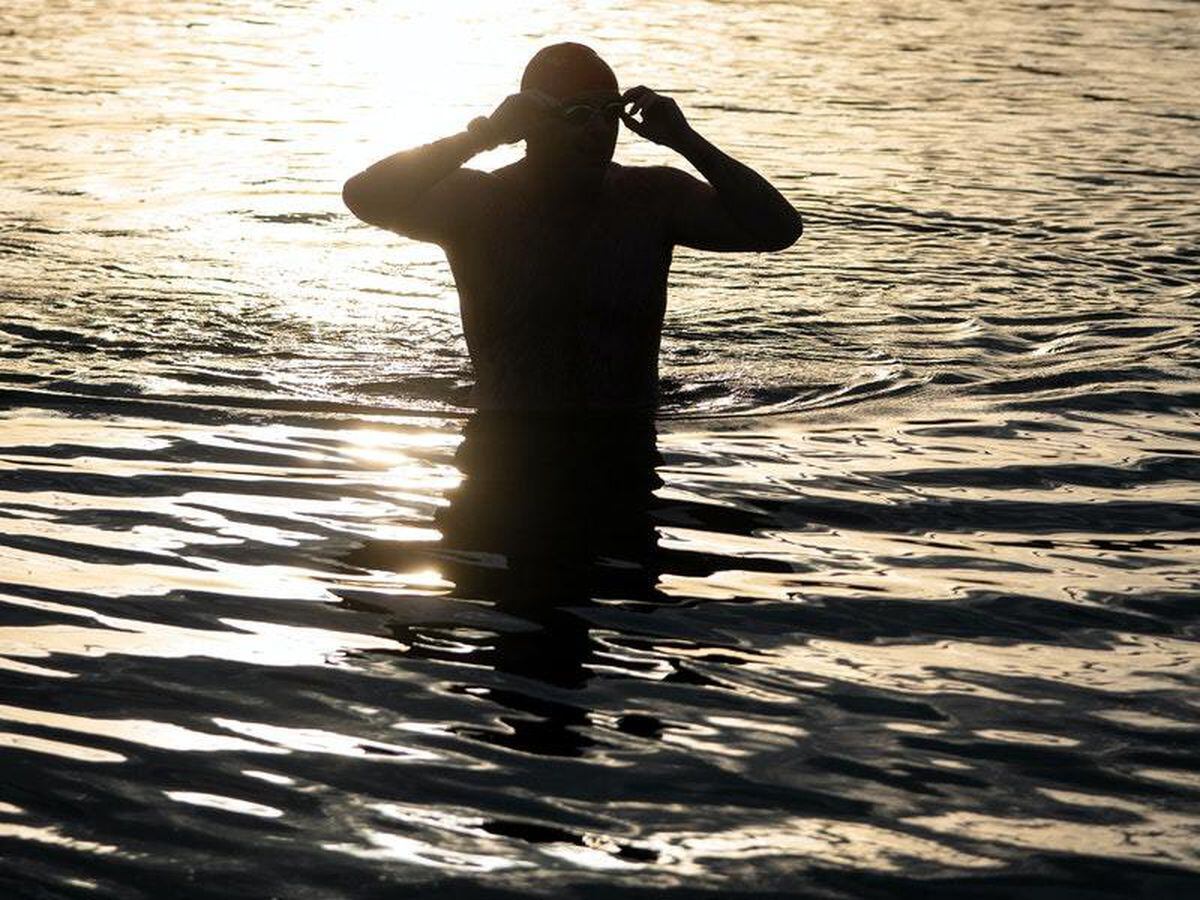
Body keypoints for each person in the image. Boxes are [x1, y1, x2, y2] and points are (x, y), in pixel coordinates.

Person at [342, 42, 802, 411]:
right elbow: (363, 196)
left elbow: (779, 229)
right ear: (531, 123)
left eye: (609, 113)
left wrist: (686, 140)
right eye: (579, 115)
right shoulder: (478, 204)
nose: (599, 129)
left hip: (626, 436)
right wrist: (483, 135)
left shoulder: (652, 199)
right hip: (507, 436)